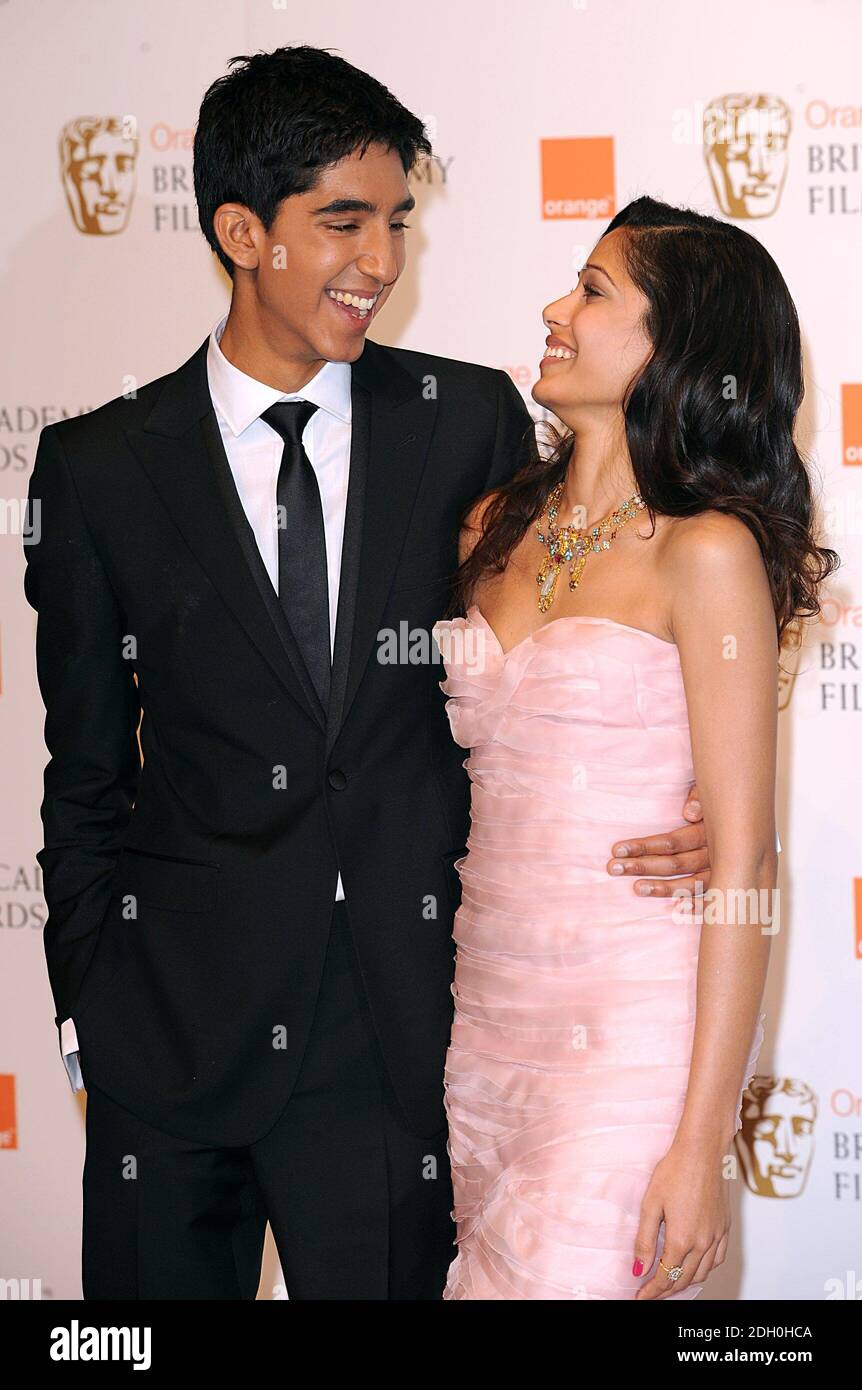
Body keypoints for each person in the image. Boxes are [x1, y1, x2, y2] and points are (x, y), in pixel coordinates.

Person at [24, 48, 713, 1301]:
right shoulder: (96, 469)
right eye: (343, 222)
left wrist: (706, 791)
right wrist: (95, 1021)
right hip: (169, 1047)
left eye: (397, 220)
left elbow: (617, 602)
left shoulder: (470, 424)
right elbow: (82, 782)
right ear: (243, 231)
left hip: (398, 1045)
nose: (382, 262)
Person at [432, 198, 837, 1301]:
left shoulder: (706, 555)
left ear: (679, 347)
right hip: (481, 1038)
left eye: (594, 291)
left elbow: (744, 867)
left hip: (625, 1055)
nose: (556, 311)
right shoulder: (490, 530)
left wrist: (700, 1145)